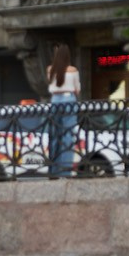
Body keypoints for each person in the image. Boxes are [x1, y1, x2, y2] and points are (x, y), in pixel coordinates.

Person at [46, 43, 80, 177]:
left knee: (55, 135)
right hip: (69, 100)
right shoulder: (73, 70)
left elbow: (50, 84)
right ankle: (65, 170)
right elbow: (77, 89)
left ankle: (53, 169)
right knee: (68, 136)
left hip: (55, 101)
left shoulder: (50, 70)